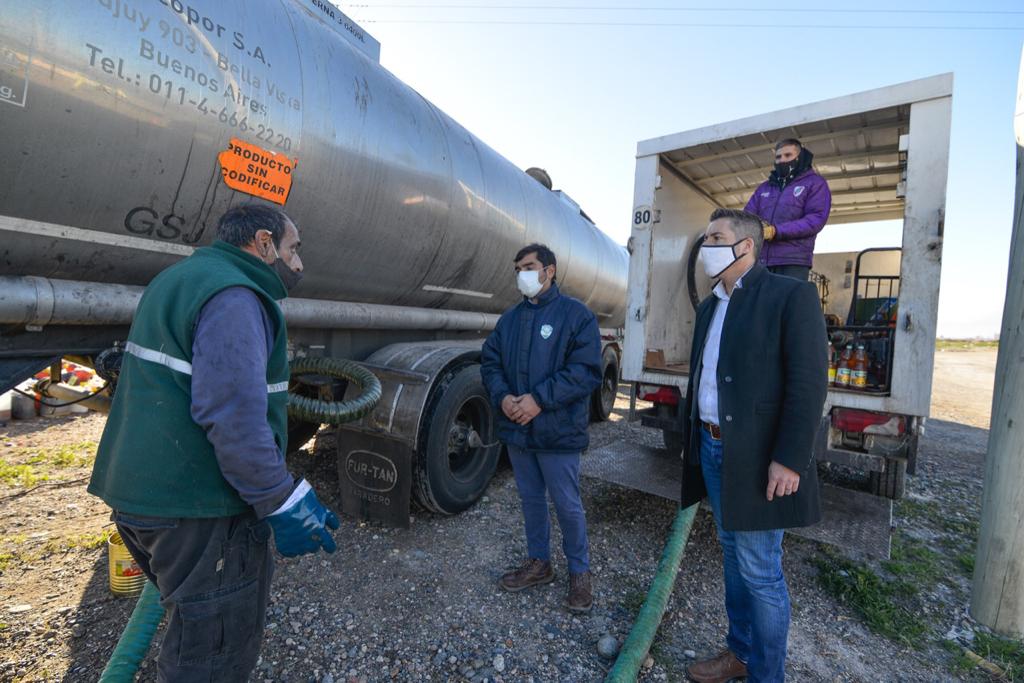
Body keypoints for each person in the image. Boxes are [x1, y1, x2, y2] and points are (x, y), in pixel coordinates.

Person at [88, 204, 340, 682]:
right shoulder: (235, 296)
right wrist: (279, 499)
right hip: (200, 508)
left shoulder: (178, 279)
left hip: (141, 498)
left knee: (191, 630)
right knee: (211, 660)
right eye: (293, 249)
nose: (299, 264)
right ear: (264, 243)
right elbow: (232, 412)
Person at [681, 209, 828, 683]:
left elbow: (808, 386)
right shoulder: (711, 305)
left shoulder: (790, 296)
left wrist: (789, 459)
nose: (706, 247)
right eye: (706, 238)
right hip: (711, 448)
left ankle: (768, 675)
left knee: (761, 570)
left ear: (745, 246)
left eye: (715, 238)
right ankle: (740, 652)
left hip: (758, 457)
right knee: (732, 554)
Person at [480, 243, 602, 613]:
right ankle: (539, 563)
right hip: (519, 430)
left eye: (529, 266)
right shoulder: (510, 320)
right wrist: (503, 397)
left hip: (557, 431)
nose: (523, 274)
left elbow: (584, 372)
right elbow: (490, 362)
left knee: (567, 504)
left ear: (549, 270)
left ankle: (579, 572)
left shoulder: (576, 316)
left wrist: (538, 400)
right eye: (518, 268)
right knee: (531, 500)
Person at [744, 138, 832, 281]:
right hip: (760, 261)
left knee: (787, 297)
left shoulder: (815, 183)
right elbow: (746, 217)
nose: (782, 160)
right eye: (778, 157)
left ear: (800, 157)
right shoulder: (764, 187)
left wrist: (775, 231)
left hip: (793, 262)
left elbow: (815, 219)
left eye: (788, 155)